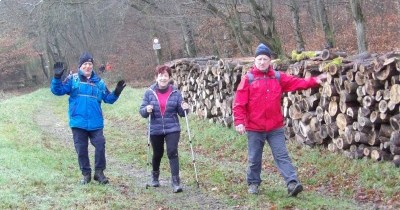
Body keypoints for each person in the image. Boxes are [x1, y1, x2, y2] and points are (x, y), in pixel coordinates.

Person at [233, 43, 327, 196]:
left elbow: (297, 83)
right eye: (259, 59)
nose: (262, 62)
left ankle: (292, 183)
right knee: (254, 158)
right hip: (254, 127)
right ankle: (253, 183)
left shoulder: (277, 77)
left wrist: (314, 81)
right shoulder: (248, 79)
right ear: (255, 61)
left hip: (274, 127)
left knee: (282, 155)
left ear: (270, 61)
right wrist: (239, 122)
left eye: (264, 59)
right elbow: (239, 103)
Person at [50, 52, 126, 185]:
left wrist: (117, 92)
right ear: (80, 66)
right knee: (81, 149)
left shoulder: (99, 83)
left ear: (92, 66)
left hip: (96, 123)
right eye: (85, 64)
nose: (87, 66)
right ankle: (86, 174)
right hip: (78, 122)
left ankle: (99, 172)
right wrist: (57, 77)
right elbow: (57, 91)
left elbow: (108, 99)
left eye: (90, 64)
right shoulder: (73, 79)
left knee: (100, 145)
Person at [139, 65, 190, 193]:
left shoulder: (175, 92)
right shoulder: (149, 92)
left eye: (165, 75)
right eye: (160, 75)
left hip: (172, 127)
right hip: (155, 128)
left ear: (169, 78)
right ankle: (155, 177)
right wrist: (146, 109)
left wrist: (185, 107)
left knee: (172, 151)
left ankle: (176, 182)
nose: (163, 78)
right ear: (156, 77)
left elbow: (182, 114)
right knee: (158, 153)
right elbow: (142, 112)